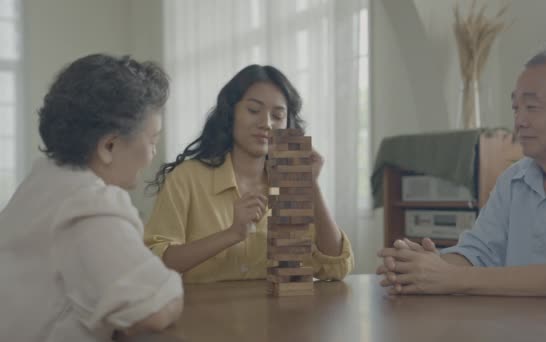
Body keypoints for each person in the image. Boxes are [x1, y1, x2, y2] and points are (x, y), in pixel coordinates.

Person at [377, 46, 546, 301]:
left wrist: (449, 277)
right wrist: (420, 265)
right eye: (515, 108)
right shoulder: (513, 179)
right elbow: (478, 252)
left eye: (531, 107)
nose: (519, 121)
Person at [0, 54, 183, 341]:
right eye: (152, 140)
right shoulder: (89, 204)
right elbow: (154, 309)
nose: (152, 155)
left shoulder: (43, 179)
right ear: (109, 146)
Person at [144, 64, 354, 283]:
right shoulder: (186, 178)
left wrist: (312, 185)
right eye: (253, 110)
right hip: (199, 314)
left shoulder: (289, 185)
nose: (266, 124)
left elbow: (335, 268)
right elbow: (156, 263)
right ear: (230, 113)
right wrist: (232, 234)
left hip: (276, 316)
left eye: (278, 115)